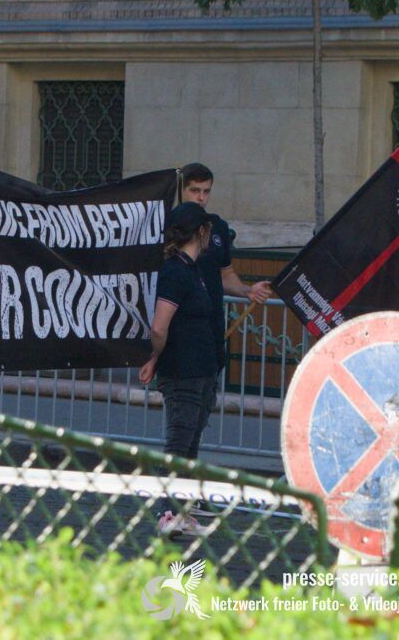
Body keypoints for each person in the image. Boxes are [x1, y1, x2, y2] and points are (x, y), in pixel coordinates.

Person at [139, 201, 218, 538]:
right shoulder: (175, 271)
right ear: (201, 232)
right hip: (184, 371)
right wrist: (156, 356)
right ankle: (167, 512)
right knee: (178, 441)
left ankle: (182, 511)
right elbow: (160, 326)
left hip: (200, 370)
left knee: (189, 445)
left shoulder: (191, 269)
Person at [178, 163, 273, 374]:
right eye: (194, 190)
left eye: (206, 191)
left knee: (208, 392)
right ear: (181, 190)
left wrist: (248, 291)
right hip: (179, 326)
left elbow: (225, 275)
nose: (201, 198)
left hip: (211, 324)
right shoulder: (167, 226)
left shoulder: (218, 227)